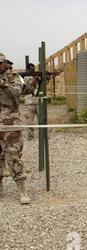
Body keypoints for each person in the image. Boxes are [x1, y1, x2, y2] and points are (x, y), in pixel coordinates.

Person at [0, 53, 38, 204]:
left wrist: (2, 83)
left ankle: (22, 190)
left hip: (10, 124)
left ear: (4, 64)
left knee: (14, 156)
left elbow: (15, 92)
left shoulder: (13, 77)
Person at [20, 63, 39, 141]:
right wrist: (33, 81)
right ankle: (30, 134)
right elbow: (25, 90)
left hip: (38, 100)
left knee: (42, 119)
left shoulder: (38, 77)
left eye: (34, 69)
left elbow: (41, 87)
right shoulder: (24, 79)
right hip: (29, 100)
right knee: (29, 120)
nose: (33, 71)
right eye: (31, 69)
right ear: (27, 69)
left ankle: (43, 134)